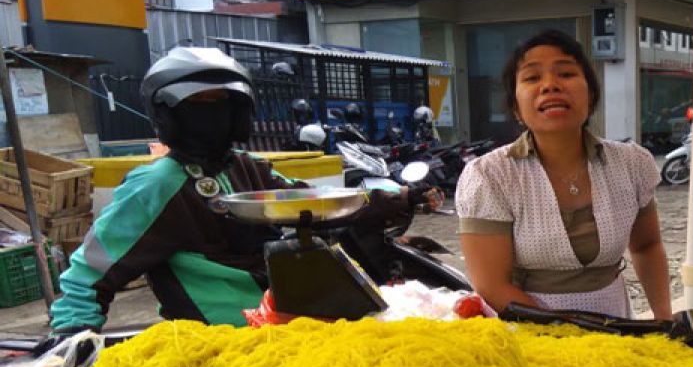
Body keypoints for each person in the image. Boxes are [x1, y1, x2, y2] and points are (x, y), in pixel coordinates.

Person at [48, 47, 440, 334]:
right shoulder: (157, 184)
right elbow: (88, 275)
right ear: (167, 113)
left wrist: (394, 200)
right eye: (199, 105)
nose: (214, 116)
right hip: (221, 340)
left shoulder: (245, 165)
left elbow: (311, 202)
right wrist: (72, 339)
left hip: (288, 321)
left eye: (225, 105)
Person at [455, 29, 672, 319]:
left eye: (566, 74)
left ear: (591, 95)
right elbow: (492, 286)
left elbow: (647, 246)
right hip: (526, 334)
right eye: (532, 78)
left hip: (617, 324)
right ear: (516, 107)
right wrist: (576, 334)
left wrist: (664, 318)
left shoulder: (631, 163)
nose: (550, 85)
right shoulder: (489, 175)